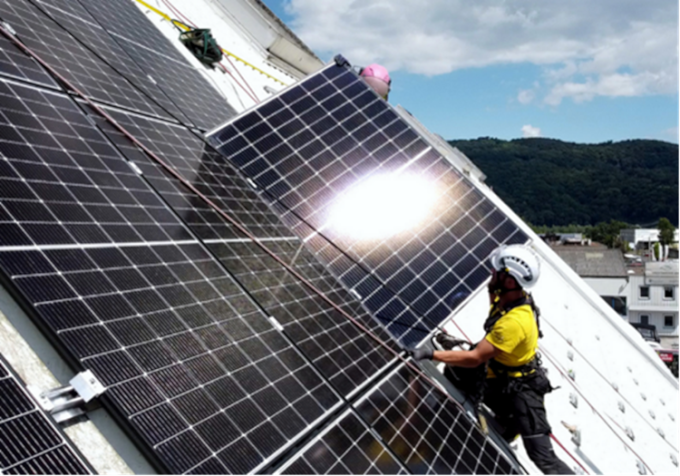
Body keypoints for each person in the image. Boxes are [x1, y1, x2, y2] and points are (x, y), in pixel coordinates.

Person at [410, 244, 575, 476]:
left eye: (497, 272)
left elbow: (475, 358)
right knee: (455, 372)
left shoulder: (514, 322)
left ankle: (511, 422)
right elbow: (492, 309)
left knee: (543, 457)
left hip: (521, 388)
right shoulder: (510, 298)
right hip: (502, 375)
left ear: (509, 282)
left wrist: (430, 354)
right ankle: (463, 420)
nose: (492, 274)